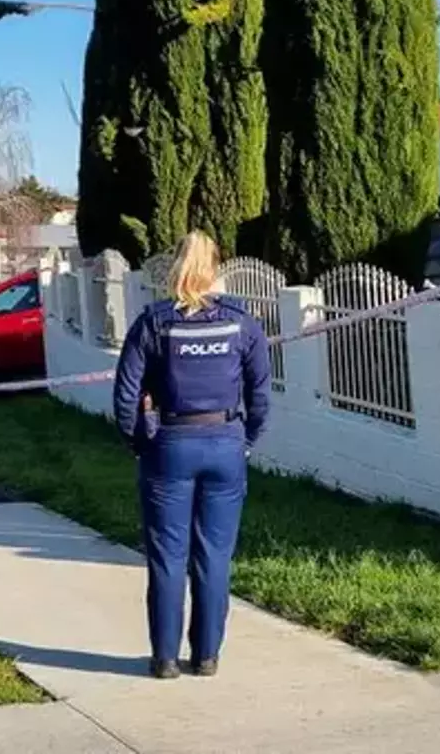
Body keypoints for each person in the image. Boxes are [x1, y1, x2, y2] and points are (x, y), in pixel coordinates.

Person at [112, 231, 272, 680]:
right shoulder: (242, 324)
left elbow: (126, 397)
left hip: (170, 445)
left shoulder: (154, 323)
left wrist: (138, 442)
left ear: (176, 269)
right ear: (216, 267)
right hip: (225, 442)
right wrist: (246, 440)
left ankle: (164, 658)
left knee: (167, 556)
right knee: (214, 554)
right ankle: (207, 655)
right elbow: (261, 396)